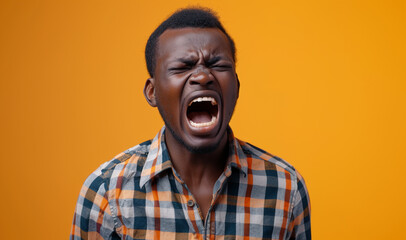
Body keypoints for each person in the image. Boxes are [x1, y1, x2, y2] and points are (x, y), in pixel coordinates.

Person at [70, 7, 311, 240]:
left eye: (217, 65)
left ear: (236, 87)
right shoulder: (106, 192)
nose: (203, 76)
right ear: (152, 92)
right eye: (182, 67)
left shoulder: (286, 188)